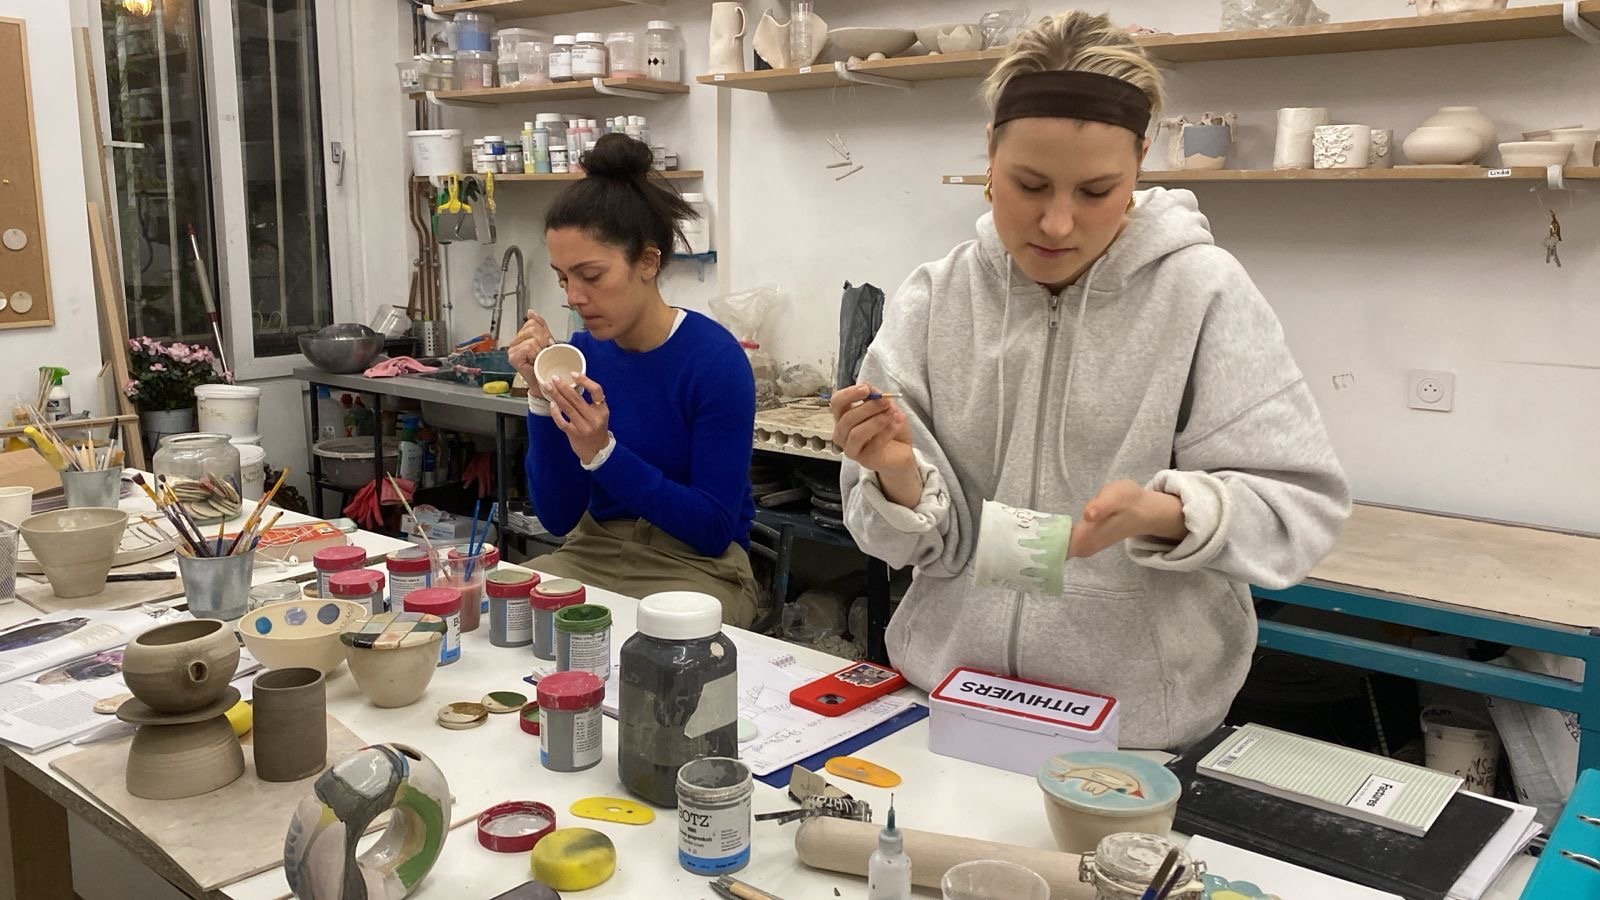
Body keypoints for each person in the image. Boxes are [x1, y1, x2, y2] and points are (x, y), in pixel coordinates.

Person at [830, 11, 1351, 750]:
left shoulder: (1202, 294)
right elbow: (920, 543)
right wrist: (893, 477)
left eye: (1097, 191)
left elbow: (1302, 509)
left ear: (1141, 160)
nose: (1058, 223)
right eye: (1029, 184)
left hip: (1138, 728)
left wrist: (1170, 514)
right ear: (989, 154)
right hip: (952, 700)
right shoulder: (936, 298)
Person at [508, 134, 760, 627]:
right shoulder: (578, 356)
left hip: (698, 567)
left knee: (652, 648)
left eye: (591, 275)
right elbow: (559, 519)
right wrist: (540, 399)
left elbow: (712, 530)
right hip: (592, 552)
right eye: (563, 278)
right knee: (507, 612)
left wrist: (603, 452)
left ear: (648, 261)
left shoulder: (715, 361)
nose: (574, 297)